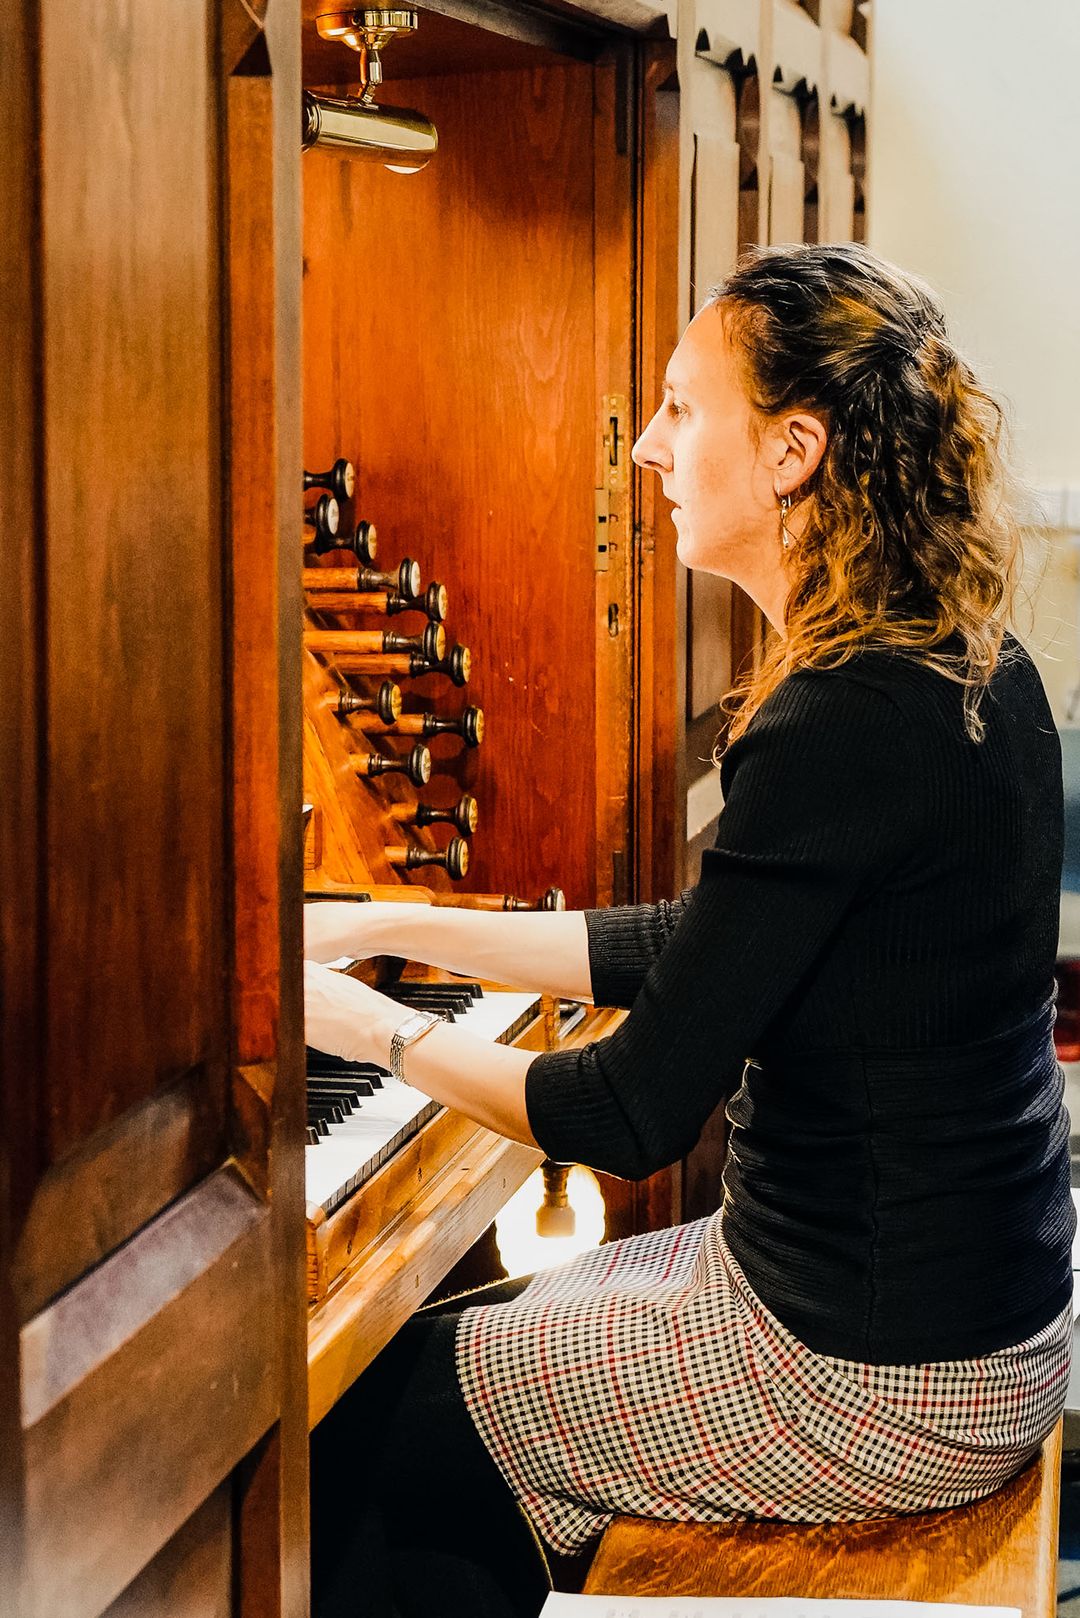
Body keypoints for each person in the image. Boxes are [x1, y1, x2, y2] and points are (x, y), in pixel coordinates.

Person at [304, 242, 1074, 1618]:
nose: (649, 447)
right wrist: (393, 919)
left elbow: (629, 1107)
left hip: (879, 1368)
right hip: (949, 1305)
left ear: (791, 451)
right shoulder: (949, 654)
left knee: (368, 1434)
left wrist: (368, 1028)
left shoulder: (842, 715)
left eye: (677, 405)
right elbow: (708, 938)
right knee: (437, 1359)